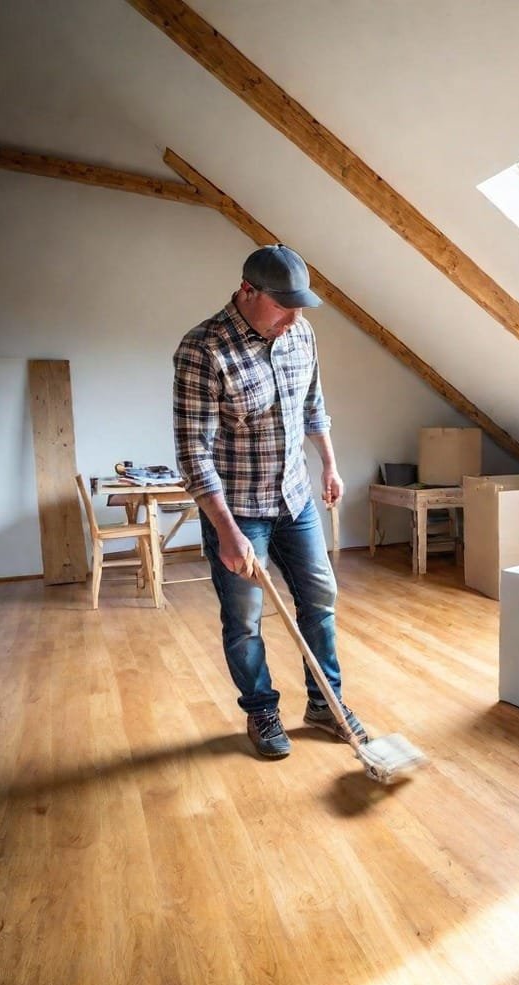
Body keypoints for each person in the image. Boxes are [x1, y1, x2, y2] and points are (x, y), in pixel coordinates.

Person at [173, 243, 367, 758]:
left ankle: (325, 703)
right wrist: (227, 531)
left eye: (299, 307)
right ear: (247, 292)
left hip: (295, 496)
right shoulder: (204, 349)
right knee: (245, 618)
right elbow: (193, 453)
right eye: (283, 307)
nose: (293, 318)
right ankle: (261, 710)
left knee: (320, 599)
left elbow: (313, 404)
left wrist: (329, 463)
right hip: (237, 509)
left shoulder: (300, 332)